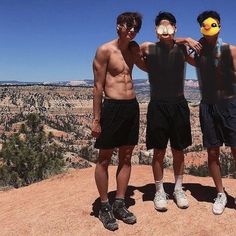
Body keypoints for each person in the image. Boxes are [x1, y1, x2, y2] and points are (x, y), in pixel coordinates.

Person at [140, 11, 201, 212]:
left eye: (169, 27)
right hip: (158, 105)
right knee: (158, 151)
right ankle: (159, 190)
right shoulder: (149, 48)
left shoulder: (182, 50)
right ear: (157, 30)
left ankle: (177, 189)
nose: (165, 30)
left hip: (179, 104)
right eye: (161, 27)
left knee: (178, 150)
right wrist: (184, 38)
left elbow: (201, 62)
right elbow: (139, 47)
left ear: (175, 28)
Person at [92, 12, 145, 231]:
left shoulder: (133, 50)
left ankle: (120, 203)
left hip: (131, 107)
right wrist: (96, 119)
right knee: (104, 158)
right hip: (112, 108)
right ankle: (104, 206)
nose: (132, 30)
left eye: (136, 27)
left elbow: (149, 67)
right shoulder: (105, 50)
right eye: (128, 26)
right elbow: (97, 86)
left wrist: (142, 52)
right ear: (118, 26)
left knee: (126, 156)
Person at [188, 10, 236, 215]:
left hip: (229, 103)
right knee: (212, 151)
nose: (209, 28)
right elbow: (178, 50)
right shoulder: (198, 52)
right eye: (205, 26)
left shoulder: (231, 50)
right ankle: (220, 193)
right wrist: (188, 40)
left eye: (212, 24)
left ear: (219, 26)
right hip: (207, 105)